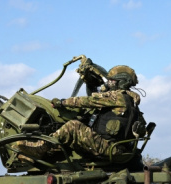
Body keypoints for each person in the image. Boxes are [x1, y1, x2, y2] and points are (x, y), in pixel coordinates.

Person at [17, 65, 147, 164]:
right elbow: (142, 129)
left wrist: (61, 103)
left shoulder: (117, 97)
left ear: (121, 82)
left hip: (109, 149)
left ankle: (40, 148)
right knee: (75, 133)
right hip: (119, 150)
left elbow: (87, 101)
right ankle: (37, 156)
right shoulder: (132, 102)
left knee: (73, 126)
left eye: (112, 81)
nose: (109, 83)